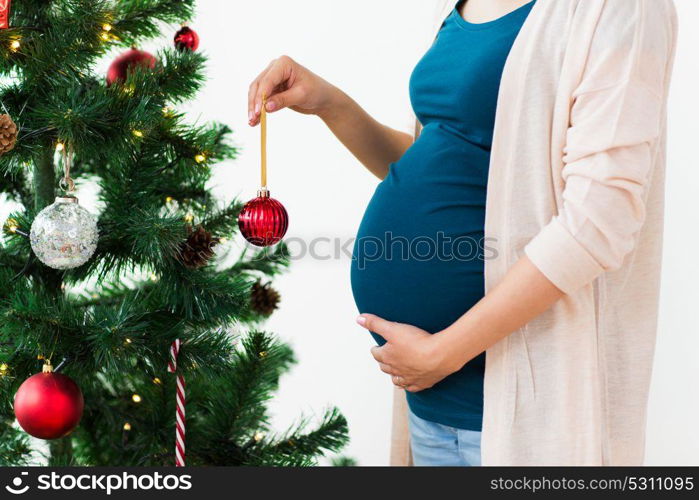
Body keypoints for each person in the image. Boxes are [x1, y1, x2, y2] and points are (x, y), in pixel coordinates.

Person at [247, 0, 677, 466]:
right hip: (430, 409)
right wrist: (331, 104)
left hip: (517, 415)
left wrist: (444, 352)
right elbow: (445, 166)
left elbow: (598, 220)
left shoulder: (621, 7)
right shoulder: (458, 6)